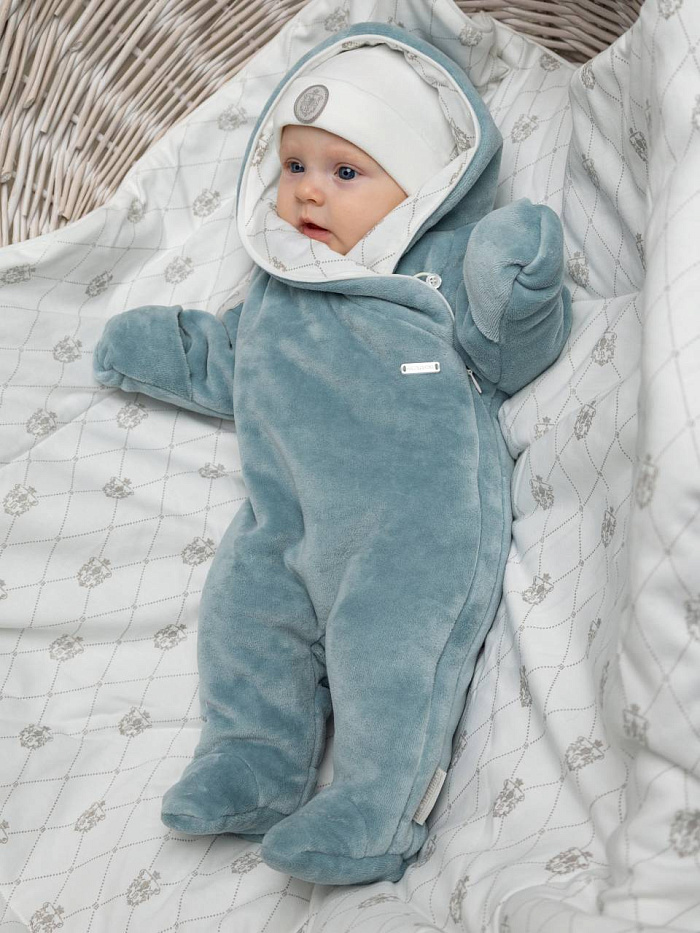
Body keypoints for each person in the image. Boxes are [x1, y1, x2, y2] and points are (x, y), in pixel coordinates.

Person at [93, 25, 572, 886]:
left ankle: (378, 806)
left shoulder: (437, 269)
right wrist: (157, 346)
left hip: (411, 529)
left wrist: (520, 285)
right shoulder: (278, 287)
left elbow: (505, 351)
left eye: (346, 172)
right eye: (295, 165)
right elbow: (227, 359)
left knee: (388, 662)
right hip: (281, 523)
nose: (310, 188)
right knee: (243, 623)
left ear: (419, 188)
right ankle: (252, 759)